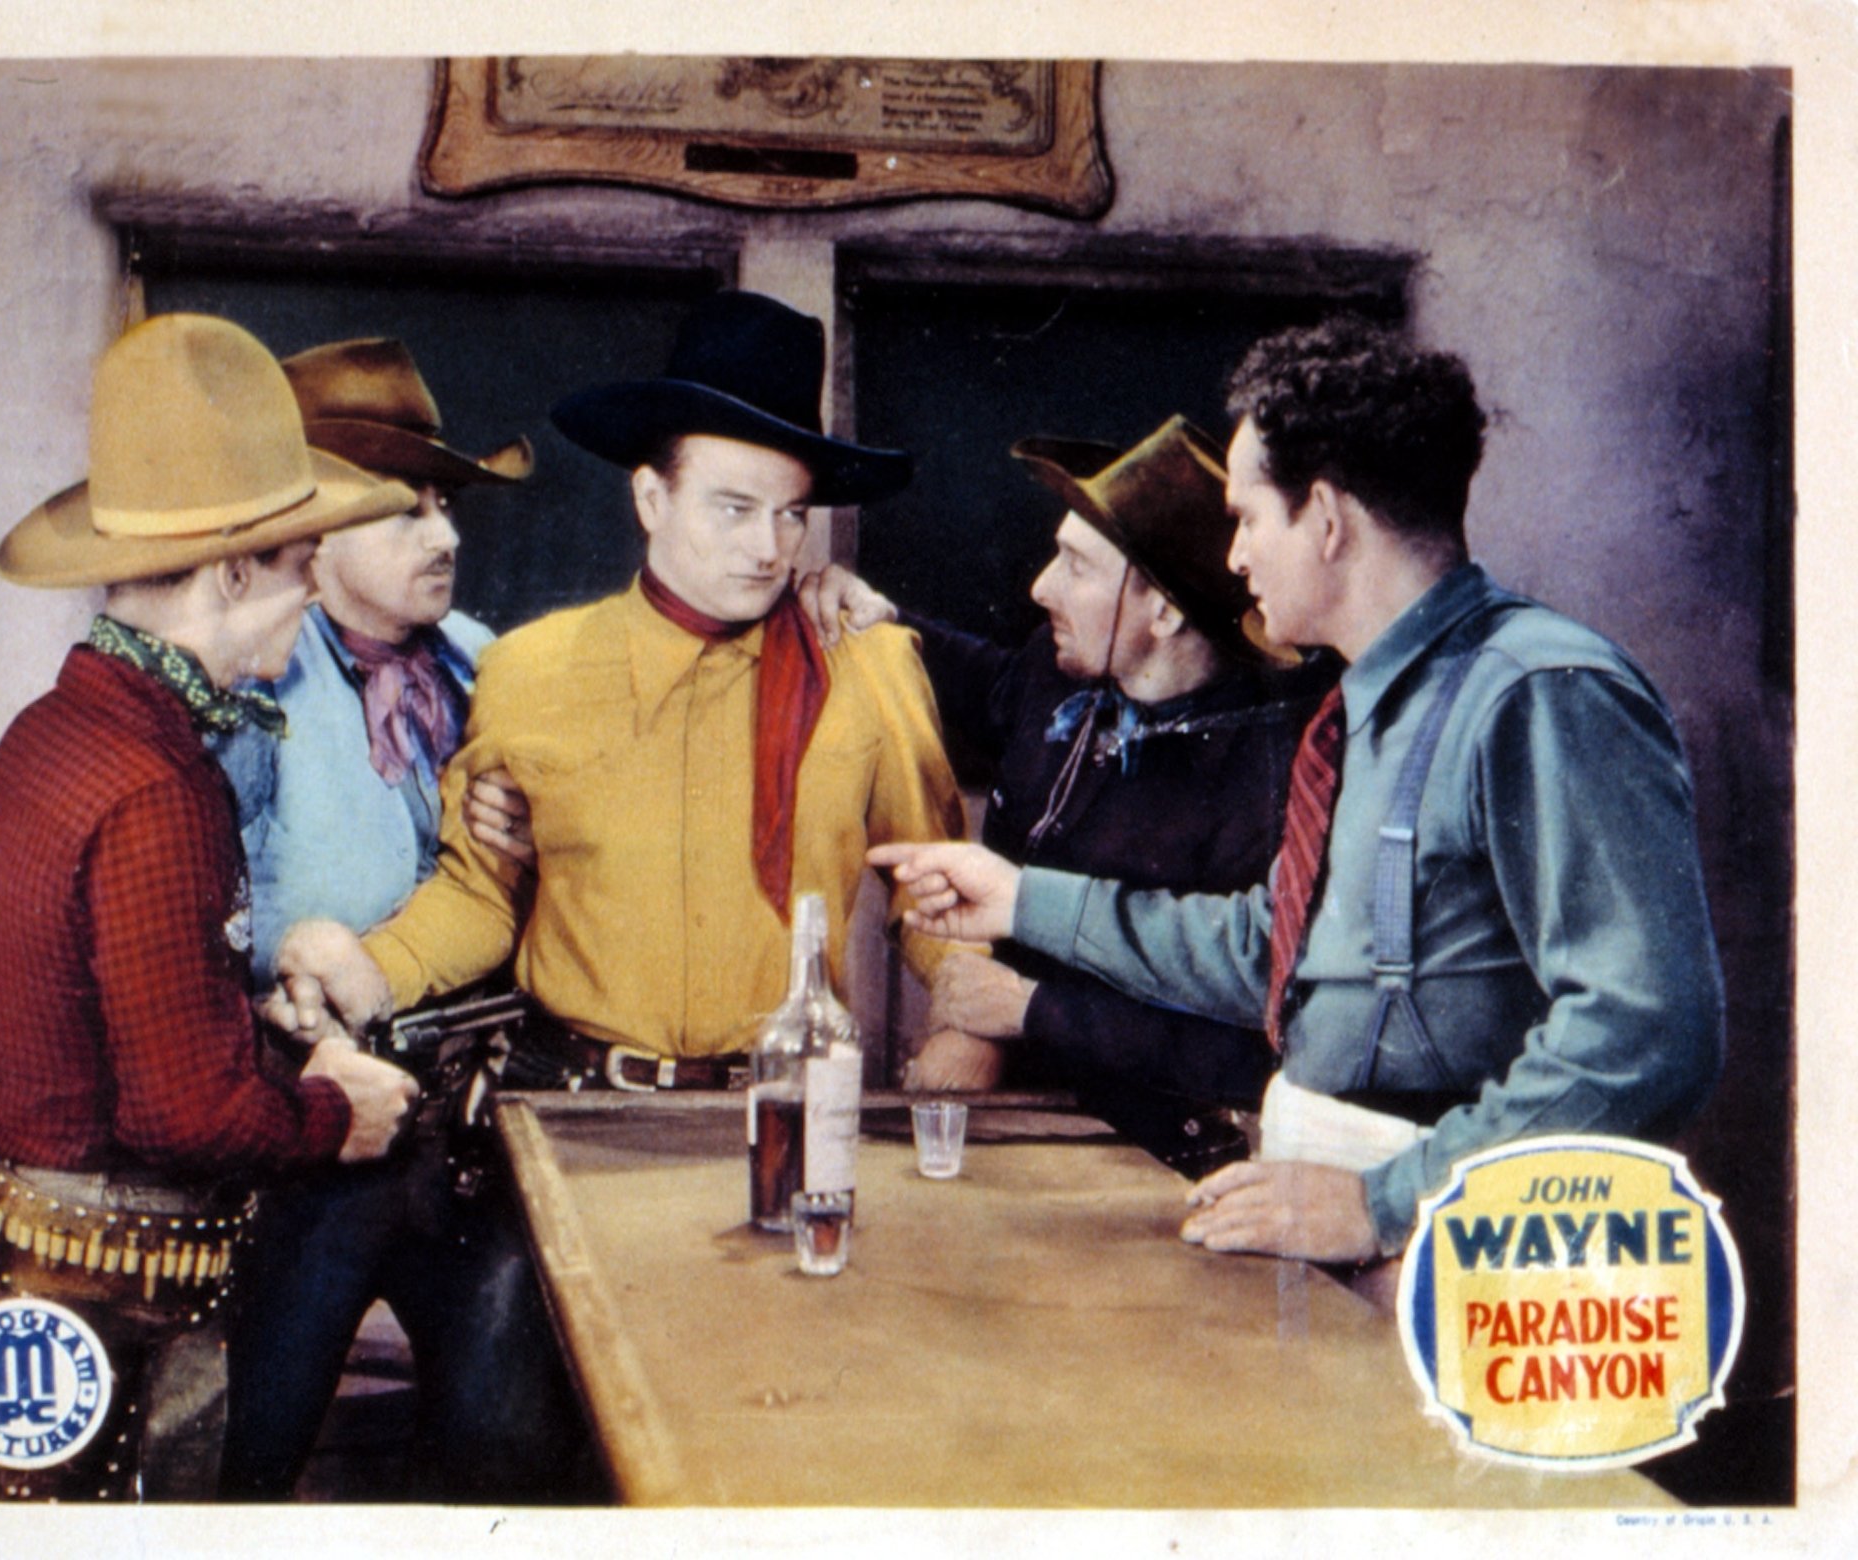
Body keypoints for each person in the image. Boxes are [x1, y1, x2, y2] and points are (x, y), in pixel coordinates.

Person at [870, 316, 1724, 1273]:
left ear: (1324, 519)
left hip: (1472, 1240)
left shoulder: (1538, 692)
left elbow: (1647, 1036)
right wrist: (1023, 897)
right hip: (1351, 1208)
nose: (1231, 559)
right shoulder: (1362, 709)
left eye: (1246, 519)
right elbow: (1273, 953)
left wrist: (1382, 1203)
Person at [0, 313, 419, 1501]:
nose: (312, 593)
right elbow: (184, 1118)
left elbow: (104, 1021)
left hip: (17, 1272)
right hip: (118, 1312)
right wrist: (333, 1117)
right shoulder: (160, 783)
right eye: (301, 563)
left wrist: (245, 1014)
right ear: (233, 569)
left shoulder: (53, 731)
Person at [274, 290, 971, 1094]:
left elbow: (938, 889)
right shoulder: (529, 671)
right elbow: (481, 896)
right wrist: (365, 974)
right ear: (651, 499)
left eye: (791, 515)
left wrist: (967, 1026)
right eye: (735, 508)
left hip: (787, 1111)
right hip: (575, 1109)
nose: (769, 547)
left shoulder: (867, 663)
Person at [209, 340, 581, 1502]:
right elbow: (197, 890)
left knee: (504, 1454)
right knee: (251, 1450)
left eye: (447, 506)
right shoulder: (249, 675)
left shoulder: (484, 664)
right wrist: (293, 942)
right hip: (310, 1127)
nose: (446, 537)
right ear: (311, 532)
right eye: (406, 511)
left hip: (472, 1127)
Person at [800, 415, 1335, 1174]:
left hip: (1164, 1156)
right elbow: (986, 680)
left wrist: (1026, 1015)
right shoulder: (1057, 673)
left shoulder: (1270, 774)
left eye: (1076, 568)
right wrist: (877, 613)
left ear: (1165, 611)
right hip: (1011, 1115)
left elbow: (1255, 1038)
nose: (1039, 586)